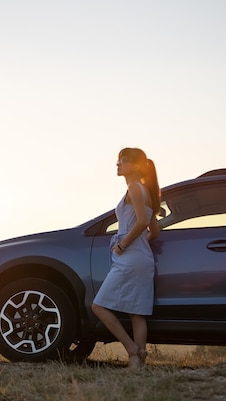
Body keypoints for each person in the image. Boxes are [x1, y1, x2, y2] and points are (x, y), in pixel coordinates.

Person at [91, 147, 160, 368]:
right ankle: (137, 362)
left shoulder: (134, 188)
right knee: (136, 313)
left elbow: (141, 222)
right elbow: (154, 231)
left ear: (135, 165)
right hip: (142, 256)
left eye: (123, 160)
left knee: (98, 307)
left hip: (130, 256)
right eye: (118, 160)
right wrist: (138, 244)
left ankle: (132, 350)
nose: (118, 163)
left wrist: (122, 245)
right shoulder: (147, 191)